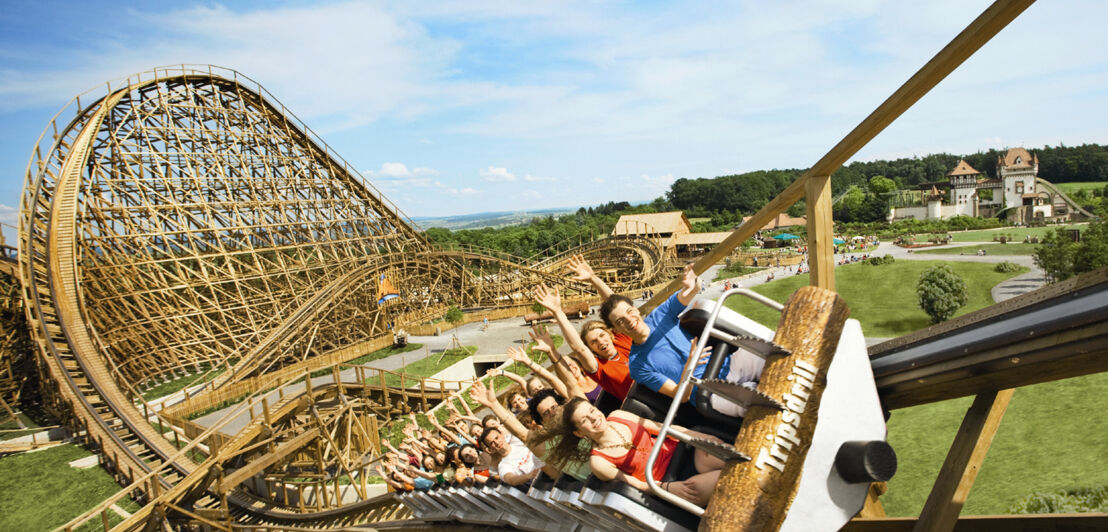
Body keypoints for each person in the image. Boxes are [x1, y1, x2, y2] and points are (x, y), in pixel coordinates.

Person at [600, 263, 763, 415]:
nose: (629, 320)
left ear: (636, 309)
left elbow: (689, 292)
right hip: (709, 392)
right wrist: (690, 366)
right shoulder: (638, 366)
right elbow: (681, 396)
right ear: (616, 330)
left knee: (767, 354)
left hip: (727, 363)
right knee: (758, 401)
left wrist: (695, 284)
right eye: (620, 321)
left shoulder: (660, 314)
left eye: (629, 311)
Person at [542, 398, 726, 507]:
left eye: (592, 410)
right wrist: (669, 489)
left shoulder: (619, 415)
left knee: (727, 459)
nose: (594, 417)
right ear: (580, 433)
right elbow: (638, 486)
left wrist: (700, 437)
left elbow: (664, 428)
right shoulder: (599, 462)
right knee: (723, 479)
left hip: (684, 452)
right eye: (585, 420)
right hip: (672, 481)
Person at [533, 280, 633, 400]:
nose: (601, 342)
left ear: (610, 334)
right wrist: (558, 312)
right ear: (590, 348)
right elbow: (579, 349)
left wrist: (592, 278)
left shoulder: (622, 340)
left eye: (602, 335)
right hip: (645, 401)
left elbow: (618, 308)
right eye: (593, 342)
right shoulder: (599, 368)